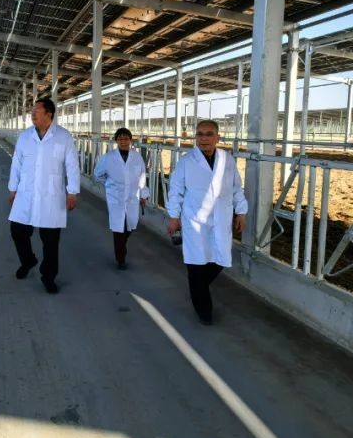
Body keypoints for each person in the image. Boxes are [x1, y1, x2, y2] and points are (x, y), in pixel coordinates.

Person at [165, 119, 248, 325]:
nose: (204, 138)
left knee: (219, 260)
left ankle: (198, 288)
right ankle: (204, 311)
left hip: (221, 218)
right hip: (195, 220)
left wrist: (241, 211)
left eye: (209, 134)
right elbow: (176, 190)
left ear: (218, 137)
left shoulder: (227, 159)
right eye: (200, 134)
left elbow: (236, 187)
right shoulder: (186, 162)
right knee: (196, 266)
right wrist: (174, 216)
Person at [8, 98, 79, 294]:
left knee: (50, 241)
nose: (33, 113)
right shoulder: (25, 136)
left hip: (51, 195)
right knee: (17, 231)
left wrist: (72, 191)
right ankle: (28, 260)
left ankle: (48, 277)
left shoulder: (63, 136)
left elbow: (72, 165)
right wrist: (13, 189)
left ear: (49, 114)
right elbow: (16, 164)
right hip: (26, 193)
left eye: (37, 111)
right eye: (32, 111)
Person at [93, 127, 148, 270]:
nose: (123, 142)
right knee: (119, 229)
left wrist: (143, 195)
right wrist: (110, 185)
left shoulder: (137, 157)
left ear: (130, 140)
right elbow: (97, 174)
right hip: (116, 198)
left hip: (132, 197)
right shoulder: (108, 157)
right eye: (120, 139)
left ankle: (121, 247)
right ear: (116, 140)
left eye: (126, 139)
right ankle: (121, 258)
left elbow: (142, 176)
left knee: (131, 225)